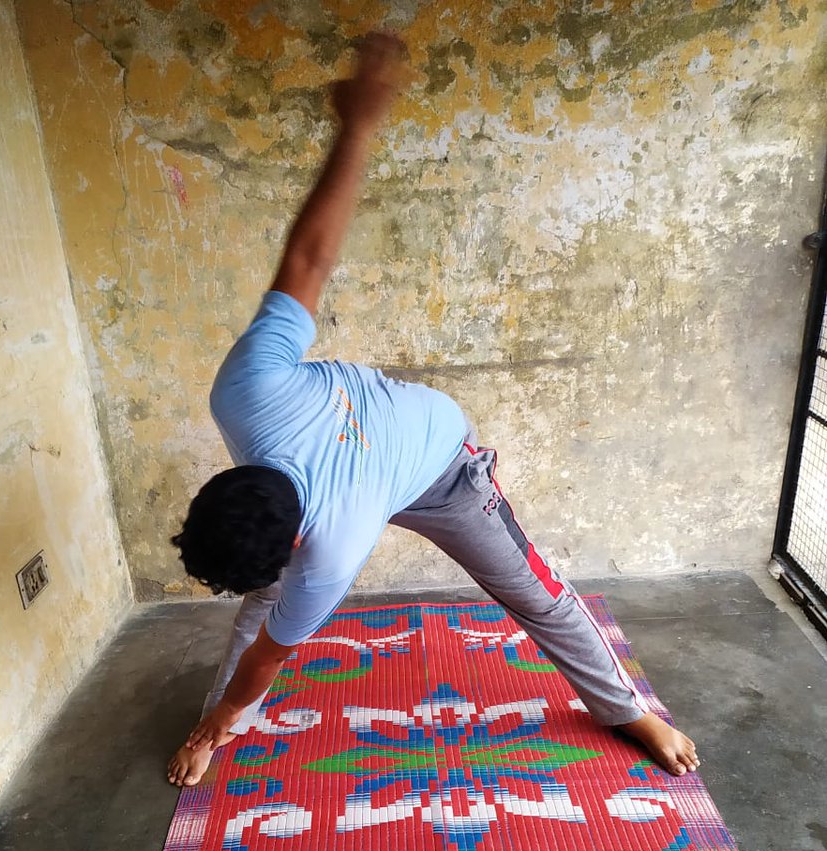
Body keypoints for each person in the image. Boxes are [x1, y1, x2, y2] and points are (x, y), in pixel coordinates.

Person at [167, 32, 699, 788]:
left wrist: (357, 126)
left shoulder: (328, 556)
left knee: (535, 594)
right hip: (365, 458)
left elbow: (268, 656)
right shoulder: (243, 392)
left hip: (442, 465)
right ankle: (220, 723)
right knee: (262, 603)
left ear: (293, 548)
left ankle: (628, 710)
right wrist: (355, 125)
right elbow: (308, 262)